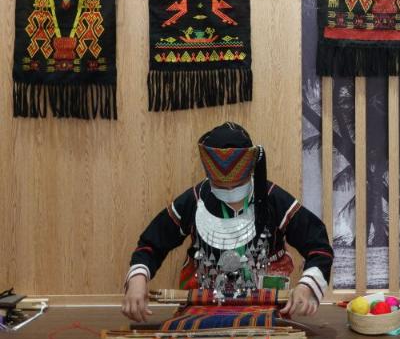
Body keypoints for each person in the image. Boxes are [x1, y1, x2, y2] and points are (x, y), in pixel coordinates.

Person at [121, 122, 333, 324]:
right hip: (203, 308)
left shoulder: (273, 198)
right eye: (221, 186)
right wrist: (137, 279)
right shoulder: (194, 200)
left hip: (265, 307)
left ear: (251, 170)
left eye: (238, 184)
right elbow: (151, 244)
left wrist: (306, 286)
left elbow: (319, 247)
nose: (231, 191)